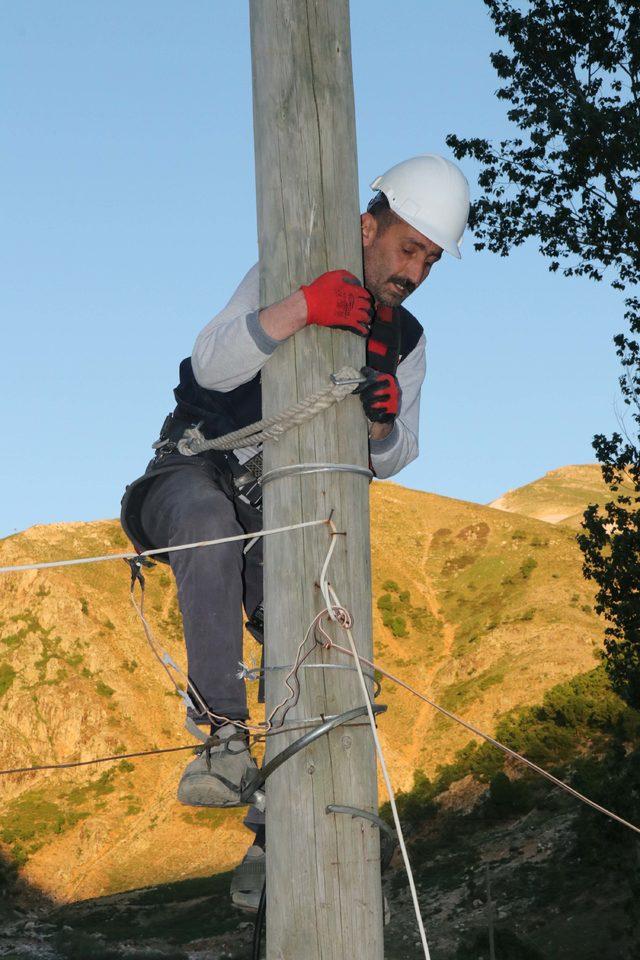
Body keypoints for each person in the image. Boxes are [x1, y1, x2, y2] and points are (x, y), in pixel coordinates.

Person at [120, 153, 469, 907]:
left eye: (430, 260)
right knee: (208, 531)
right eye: (407, 248)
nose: (414, 270)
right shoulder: (290, 265)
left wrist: (379, 423)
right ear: (367, 226)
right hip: (192, 473)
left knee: (317, 631)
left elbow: (400, 453)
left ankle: (275, 832)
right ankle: (219, 738)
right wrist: (300, 308)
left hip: (281, 515)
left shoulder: (407, 339)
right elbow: (210, 365)